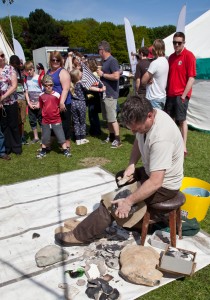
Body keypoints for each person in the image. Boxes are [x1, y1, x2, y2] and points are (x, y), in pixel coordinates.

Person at [55, 95, 184, 245]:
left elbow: (156, 182)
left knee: (112, 202)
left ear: (149, 115)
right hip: (153, 173)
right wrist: (131, 164)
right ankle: (135, 220)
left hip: (164, 186)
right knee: (121, 177)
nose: (135, 131)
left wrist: (128, 201)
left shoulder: (162, 137)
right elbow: (138, 139)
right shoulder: (148, 116)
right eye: (132, 128)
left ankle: (79, 236)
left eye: (137, 128)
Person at [165, 32, 196, 156]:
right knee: (170, 121)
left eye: (179, 42)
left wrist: (183, 95)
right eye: (174, 42)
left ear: (183, 43)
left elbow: (192, 78)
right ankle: (172, 144)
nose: (176, 45)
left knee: (182, 120)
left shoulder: (189, 56)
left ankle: (183, 146)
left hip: (181, 95)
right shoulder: (171, 57)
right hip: (170, 94)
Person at [36, 75, 71, 159]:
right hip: (46, 120)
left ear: (53, 85)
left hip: (56, 119)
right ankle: (43, 151)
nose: (49, 87)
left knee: (60, 135)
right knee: (45, 136)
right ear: (44, 86)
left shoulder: (57, 95)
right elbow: (41, 107)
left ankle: (65, 150)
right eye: (46, 85)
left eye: (51, 85)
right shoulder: (41, 96)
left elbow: (59, 105)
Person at [70, 68, 106, 145]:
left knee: (76, 122)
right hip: (81, 103)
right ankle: (82, 138)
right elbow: (89, 88)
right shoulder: (81, 83)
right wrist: (100, 89)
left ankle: (77, 139)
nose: (82, 73)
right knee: (82, 121)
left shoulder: (72, 84)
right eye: (80, 72)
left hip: (73, 103)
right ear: (77, 75)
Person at [97, 41, 121, 148]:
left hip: (111, 94)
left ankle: (117, 139)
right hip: (104, 93)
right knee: (108, 118)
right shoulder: (104, 61)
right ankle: (111, 136)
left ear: (102, 50)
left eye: (99, 50)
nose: (98, 53)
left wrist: (103, 74)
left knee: (112, 118)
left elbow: (116, 77)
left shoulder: (112, 61)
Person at [47, 51, 72, 151]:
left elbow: (65, 89)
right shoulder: (48, 72)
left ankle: (67, 145)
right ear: (50, 60)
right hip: (52, 103)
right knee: (52, 123)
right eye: (53, 59)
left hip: (63, 102)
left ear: (61, 61)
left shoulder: (63, 72)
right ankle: (49, 143)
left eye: (58, 60)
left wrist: (61, 102)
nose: (55, 61)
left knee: (65, 124)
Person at [0, 49, 22, 155]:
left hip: (11, 101)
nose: (1, 57)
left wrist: (3, 97)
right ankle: (7, 147)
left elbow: (14, 86)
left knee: (13, 124)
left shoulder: (10, 69)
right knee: (4, 126)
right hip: (1, 104)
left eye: (2, 55)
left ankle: (16, 147)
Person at [142, 39, 169, 110]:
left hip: (153, 97)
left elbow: (143, 80)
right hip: (162, 96)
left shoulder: (155, 63)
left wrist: (148, 80)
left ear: (155, 49)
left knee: (153, 120)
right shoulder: (166, 61)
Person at [9, 55, 28, 145]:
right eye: (14, 65)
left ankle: (22, 136)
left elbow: (26, 69)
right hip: (13, 99)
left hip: (21, 97)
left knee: (22, 120)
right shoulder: (8, 71)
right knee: (15, 119)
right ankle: (15, 137)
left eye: (17, 64)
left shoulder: (21, 70)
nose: (15, 66)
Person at [24, 61, 42, 143]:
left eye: (30, 69)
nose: (29, 72)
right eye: (27, 70)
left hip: (39, 104)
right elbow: (26, 92)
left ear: (33, 69)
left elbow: (43, 92)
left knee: (41, 120)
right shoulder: (26, 79)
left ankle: (44, 136)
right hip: (31, 104)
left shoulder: (39, 78)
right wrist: (29, 103)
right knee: (32, 120)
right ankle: (36, 137)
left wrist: (39, 103)